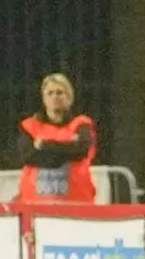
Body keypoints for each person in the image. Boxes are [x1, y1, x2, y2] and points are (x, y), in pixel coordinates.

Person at [17, 72, 96, 203]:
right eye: (50, 93)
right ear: (43, 98)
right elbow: (27, 156)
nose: (55, 96)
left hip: (77, 201)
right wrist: (66, 150)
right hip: (35, 202)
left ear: (69, 98)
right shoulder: (29, 126)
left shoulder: (82, 124)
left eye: (60, 92)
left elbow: (81, 150)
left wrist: (45, 146)